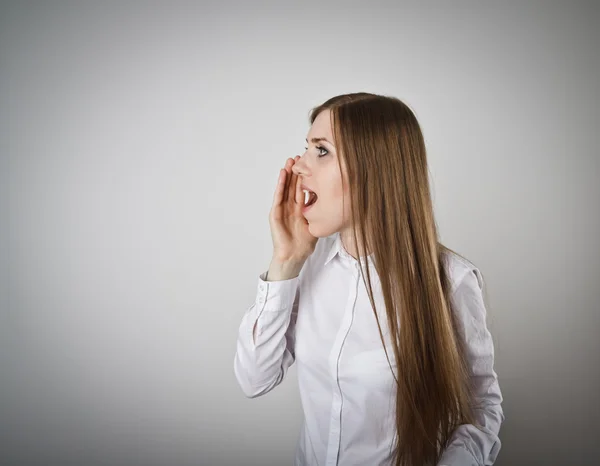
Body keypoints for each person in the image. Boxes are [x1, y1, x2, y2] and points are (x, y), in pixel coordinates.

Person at [233, 92, 505, 466]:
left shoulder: (451, 283)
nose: (299, 166)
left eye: (322, 150)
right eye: (306, 147)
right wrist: (285, 261)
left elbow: (479, 410)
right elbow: (254, 379)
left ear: (374, 169)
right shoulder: (308, 265)